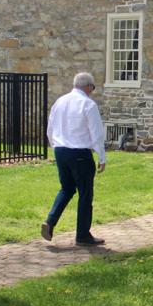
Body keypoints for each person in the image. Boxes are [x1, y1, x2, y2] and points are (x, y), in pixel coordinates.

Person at [41, 72, 106, 246]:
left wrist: (55, 147)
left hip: (61, 150)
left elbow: (50, 128)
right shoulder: (88, 104)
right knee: (85, 193)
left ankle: (50, 221)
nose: (92, 91)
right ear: (88, 86)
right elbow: (96, 133)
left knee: (67, 189)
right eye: (92, 88)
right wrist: (101, 157)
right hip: (79, 153)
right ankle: (83, 235)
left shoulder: (60, 102)